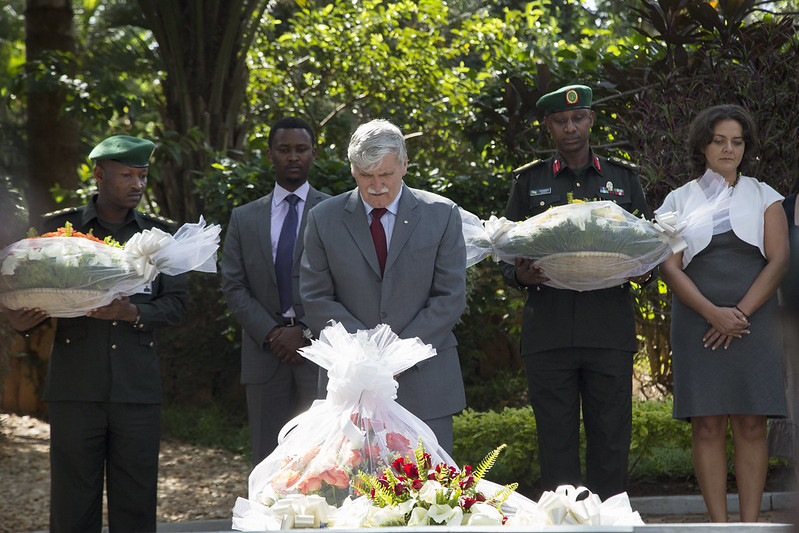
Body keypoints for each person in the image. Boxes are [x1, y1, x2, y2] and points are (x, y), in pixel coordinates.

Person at [1, 135, 188, 532]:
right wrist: (20, 320)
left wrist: (131, 312)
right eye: (127, 175)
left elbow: (176, 305)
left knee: (136, 502)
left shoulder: (160, 237)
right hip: (75, 387)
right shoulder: (58, 231)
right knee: (72, 502)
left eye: (142, 175)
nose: (137, 184)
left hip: (136, 390)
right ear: (99, 175)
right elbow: (32, 292)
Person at [501, 85, 652, 500]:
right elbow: (505, 250)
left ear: (590, 120)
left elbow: (649, 244)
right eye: (561, 121)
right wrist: (520, 277)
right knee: (556, 443)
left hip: (608, 330)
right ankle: (562, 520)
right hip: (549, 332)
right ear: (548, 126)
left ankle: (611, 522)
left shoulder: (623, 178)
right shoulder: (529, 181)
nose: (570, 128)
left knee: (611, 441)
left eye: (578, 118)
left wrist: (642, 272)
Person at [299, 119, 467, 454]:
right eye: (366, 175)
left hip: (424, 383)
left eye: (386, 174)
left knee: (430, 485)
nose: (376, 186)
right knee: (350, 484)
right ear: (352, 170)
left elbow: (449, 296)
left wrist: (398, 354)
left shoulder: (442, 214)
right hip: (350, 387)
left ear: (404, 165)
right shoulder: (323, 218)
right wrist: (365, 353)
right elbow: (316, 296)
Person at [657, 104, 788, 522]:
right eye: (719, 141)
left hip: (755, 321)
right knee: (707, 424)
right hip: (697, 320)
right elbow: (669, 268)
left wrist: (739, 314)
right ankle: (719, 526)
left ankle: (749, 526)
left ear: (745, 147)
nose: (729, 149)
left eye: (737, 142)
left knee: (751, 423)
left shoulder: (766, 196)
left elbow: (779, 260)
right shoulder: (677, 200)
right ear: (703, 145)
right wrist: (713, 313)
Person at [221, 117, 330, 465]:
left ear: (314, 153)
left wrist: (305, 331)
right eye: (284, 150)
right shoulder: (244, 218)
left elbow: (344, 283)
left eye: (301, 149)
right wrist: (272, 334)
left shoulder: (335, 213)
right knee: (268, 460)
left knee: (323, 461)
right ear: (270, 154)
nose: (293, 157)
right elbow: (234, 284)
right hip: (264, 356)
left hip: (320, 356)